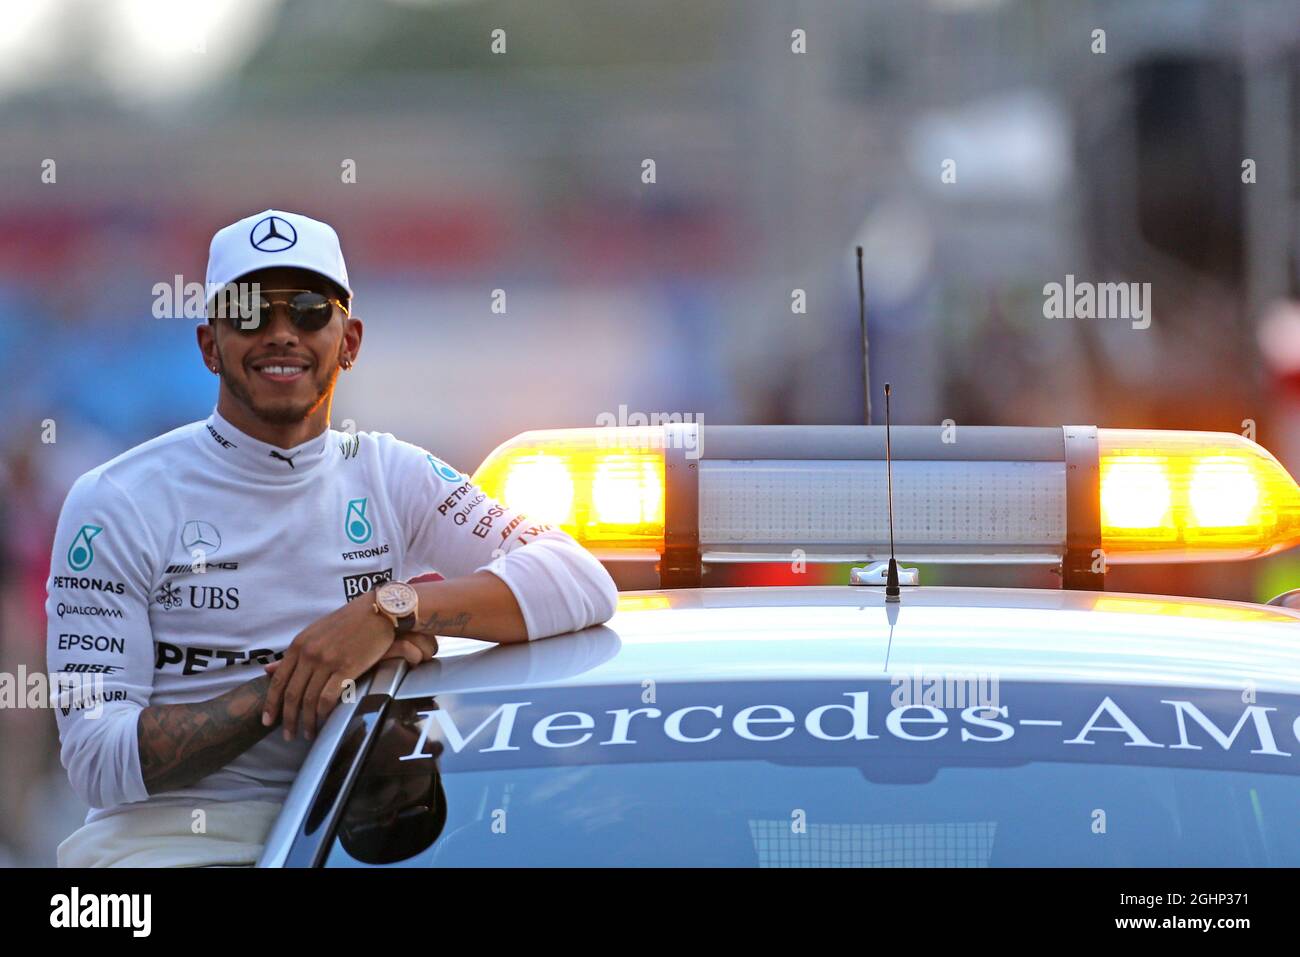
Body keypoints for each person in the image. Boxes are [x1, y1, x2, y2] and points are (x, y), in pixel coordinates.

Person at [45, 209, 618, 866]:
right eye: (250, 312)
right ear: (210, 344)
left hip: (350, 837)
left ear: (350, 339)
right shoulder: (115, 500)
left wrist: (389, 612)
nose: (282, 333)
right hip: (167, 850)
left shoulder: (390, 471)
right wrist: (316, 674)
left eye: (311, 310)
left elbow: (581, 578)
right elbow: (97, 759)